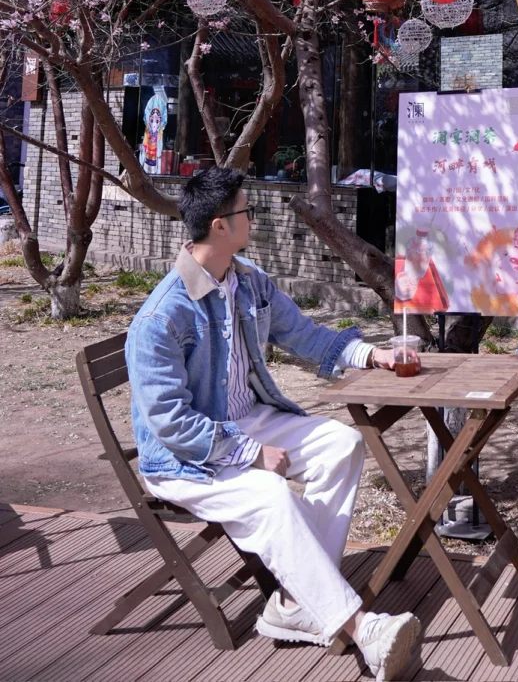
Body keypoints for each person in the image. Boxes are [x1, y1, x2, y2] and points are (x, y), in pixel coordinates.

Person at [125, 166, 421, 678]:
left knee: (342, 444)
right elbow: (171, 423)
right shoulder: (160, 319)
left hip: (248, 421)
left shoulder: (246, 282)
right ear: (220, 226)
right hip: (186, 457)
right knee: (273, 494)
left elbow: (304, 335)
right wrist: (250, 454)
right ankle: (363, 630)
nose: (253, 218)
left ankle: (292, 601)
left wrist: (372, 355)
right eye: (246, 210)